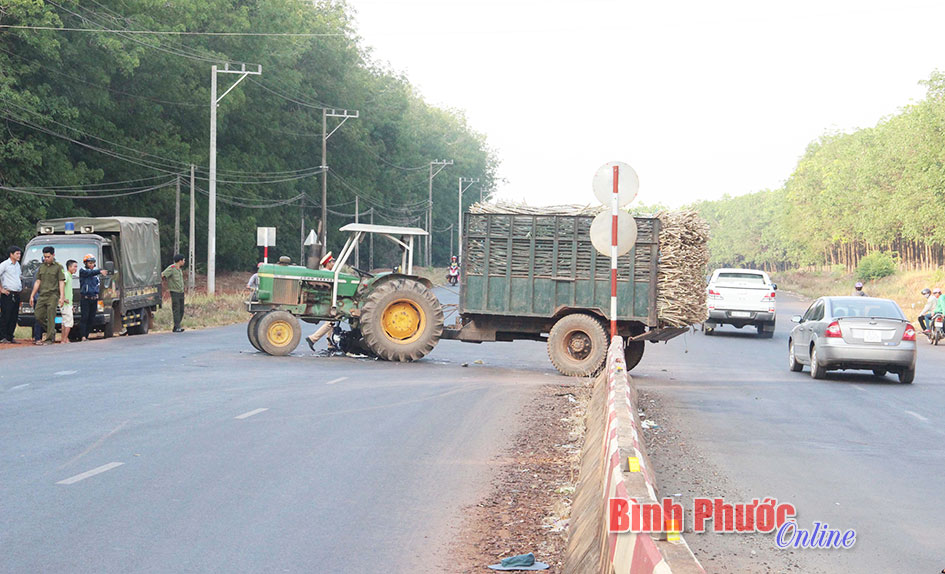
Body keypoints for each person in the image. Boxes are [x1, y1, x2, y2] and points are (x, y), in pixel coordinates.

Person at [28, 246, 65, 345]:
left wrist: (62, 297)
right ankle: (51, 331)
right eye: (44, 257)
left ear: (53, 255)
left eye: (48, 256)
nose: (46, 259)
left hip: (53, 295)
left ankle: (49, 339)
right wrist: (32, 295)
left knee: (50, 316)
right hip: (42, 295)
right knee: (38, 316)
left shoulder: (58, 267)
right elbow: (38, 281)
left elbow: (61, 282)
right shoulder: (41, 267)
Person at [306, 251, 339, 351]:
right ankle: (312, 339)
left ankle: (330, 344)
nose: (334, 264)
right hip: (328, 300)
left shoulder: (324, 272)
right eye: (332, 262)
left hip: (327, 300)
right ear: (328, 263)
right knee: (331, 322)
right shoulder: (328, 273)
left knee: (331, 321)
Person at [79, 254, 108, 340]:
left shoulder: (96, 274)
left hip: (94, 298)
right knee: (84, 317)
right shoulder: (83, 271)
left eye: (93, 263)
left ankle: (87, 335)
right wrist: (99, 271)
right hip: (85, 298)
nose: (91, 265)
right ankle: (83, 336)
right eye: (89, 263)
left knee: (91, 318)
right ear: (86, 263)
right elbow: (89, 273)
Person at [0, 245, 23, 344]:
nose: (19, 256)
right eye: (17, 254)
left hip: (16, 293)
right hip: (8, 293)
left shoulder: (17, 265)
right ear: (11, 254)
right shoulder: (4, 264)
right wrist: (1, 289)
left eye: (19, 254)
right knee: (6, 315)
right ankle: (3, 336)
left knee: (14, 316)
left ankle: (10, 336)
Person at [162, 254, 186, 332]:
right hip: (175, 292)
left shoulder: (179, 269)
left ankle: (177, 326)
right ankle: (177, 326)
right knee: (176, 309)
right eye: (183, 260)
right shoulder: (171, 268)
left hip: (181, 291)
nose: (184, 262)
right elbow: (163, 275)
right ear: (180, 261)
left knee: (181, 309)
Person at [60, 259, 78, 343]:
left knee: (65, 322)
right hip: (65, 303)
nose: (76, 268)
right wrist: (63, 297)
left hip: (68, 303)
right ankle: (64, 339)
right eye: (74, 266)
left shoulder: (69, 276)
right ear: (69, 267)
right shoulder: (66, 275)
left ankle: (63, 339)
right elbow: (61, 284)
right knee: (69, 323)